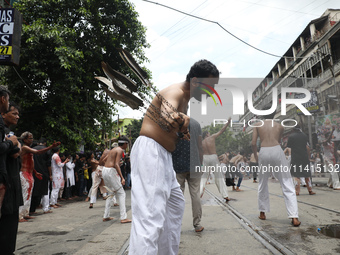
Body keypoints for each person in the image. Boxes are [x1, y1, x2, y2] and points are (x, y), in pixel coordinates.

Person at [130, 59, 219, 255]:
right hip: (151, 152)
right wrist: (182, 119)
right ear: (195, 81)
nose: (212, 92)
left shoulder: (186, 99)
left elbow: (172, 126)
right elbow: (166, 117)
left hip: (164, 156)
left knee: (175, 205)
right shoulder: (176, 92)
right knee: (150, 216)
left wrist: (181, 131)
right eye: (210, 87)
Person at [251, 110, 300, 227]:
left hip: (264, 151)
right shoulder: (280, 126)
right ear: (274, 114)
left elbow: (253, 143)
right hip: (276, 150)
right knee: (286, 182)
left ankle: (262, 213)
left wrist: (257, 157)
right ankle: (294, 217)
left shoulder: (257, 125)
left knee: (262, 183)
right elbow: (278, 141)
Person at [18, 132, 59, 222]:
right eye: (30, 138)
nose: (32, 140)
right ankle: (20, 216)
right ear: (24, 140)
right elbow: (38, 152)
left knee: (29, 194)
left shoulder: (28, 148)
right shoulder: (25, 148)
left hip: (29, 173)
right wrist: (51, 147)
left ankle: (26, 213)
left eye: (32, 138)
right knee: (25, 195)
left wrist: (35, 172)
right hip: (24, 173)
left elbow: (31, 162)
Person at [172, 118, 204, 232]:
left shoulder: (173, 122)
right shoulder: (196, 124)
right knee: (195, 194)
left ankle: (175, 225)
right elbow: (200, 146)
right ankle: (197, 224)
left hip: (177, 165)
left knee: (177, 196)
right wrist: (201, 163)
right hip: (194, 164)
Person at [0, 101, 22, 255]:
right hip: (7, 181)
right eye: (13, 113)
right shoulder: (5, 132)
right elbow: (15, 152)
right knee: (8, 219)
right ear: (3, 113)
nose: (17, 116)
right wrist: (14, 143)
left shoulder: (9, 134)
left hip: (11, 180)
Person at [200, 118, 231, 202]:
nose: (209, 133)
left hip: (205, 158)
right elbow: (222, 130)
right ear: (207, 134)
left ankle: (198, 194)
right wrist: (227, 123)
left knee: (203, 177)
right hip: (213, 157)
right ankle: (225, 195)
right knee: (219, 177)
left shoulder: (201, 142)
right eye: (208, 133)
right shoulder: (212, 137)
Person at [102, 136, 131, 223]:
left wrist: (112, 164)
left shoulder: (114, 149)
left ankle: (106, 216)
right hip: (111, 171)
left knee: (111, 193)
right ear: (125, 143)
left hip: (105, 170)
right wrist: (122, 177)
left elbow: (104, 160)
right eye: (127, 144)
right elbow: (116, 164)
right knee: (121, 193)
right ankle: (123, 217)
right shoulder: (119, 150)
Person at [287, 125, 315, 196]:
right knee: (306, 174)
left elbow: (289, 146)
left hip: (295, 157)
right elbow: (307, 147)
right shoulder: (304, 135)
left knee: (296, 175)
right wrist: (308, 156)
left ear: (293, 129)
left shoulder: (291, 136)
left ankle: (297, 191)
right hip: (304, 157)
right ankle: (310, 190)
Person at [30, 137, 53, 215]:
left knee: (33, 190)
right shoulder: (47, 150)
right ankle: (45, 208)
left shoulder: (32, 149)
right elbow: (48, 164)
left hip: (33, 172)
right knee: (45, 191)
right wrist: (50, 174)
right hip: (44, 172)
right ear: (45, 143)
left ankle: (31, 209)